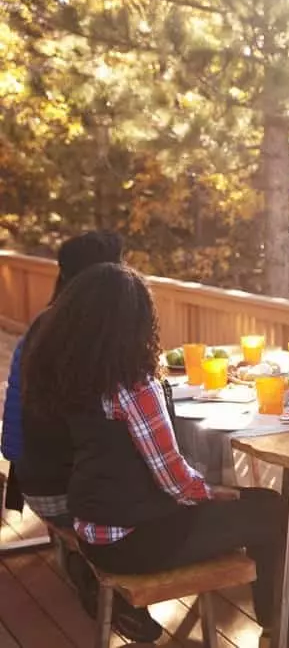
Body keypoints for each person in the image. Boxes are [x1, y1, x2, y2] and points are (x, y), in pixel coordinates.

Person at [18, 263, 289, 648]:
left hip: (93, 530)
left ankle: (279, 632)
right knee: (276, 511)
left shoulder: (73, 375)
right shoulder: (133, 383)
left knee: (261, 509)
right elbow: (174, 480)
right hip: (135, 540)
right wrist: (215, 491)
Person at [1, 231, 163, 643]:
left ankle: (91, 571)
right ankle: (108, 584)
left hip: (31, 479)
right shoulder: (87, 341)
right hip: (63, 495)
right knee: (169, 481)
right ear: (102, 278)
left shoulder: (48, 324)